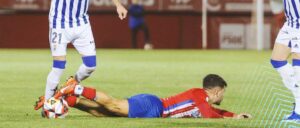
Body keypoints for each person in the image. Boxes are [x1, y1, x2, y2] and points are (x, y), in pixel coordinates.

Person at [24, 0, 128, 111]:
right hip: (59, 23)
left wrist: (118, 4)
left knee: (90, 66)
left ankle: (72, 84)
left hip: (81, 24)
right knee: (58, 66)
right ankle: (49, 105)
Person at [55, 74, 252, 119]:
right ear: (216, 91)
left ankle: (71, 100)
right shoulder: (199, 95)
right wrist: (230, 118)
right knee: (113, 105)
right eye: (223, 93)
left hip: (153, 108)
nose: (223, 96)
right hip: (154, 106)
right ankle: (76, 88)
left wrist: (233, 116)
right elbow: (210, 115)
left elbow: (213, 111)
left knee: (106, 113)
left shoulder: (202, 98)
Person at [261, 0, 300, 121]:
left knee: (298, 65)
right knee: (277, 60)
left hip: (299, 24)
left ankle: (299, 110)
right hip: (291, 23)